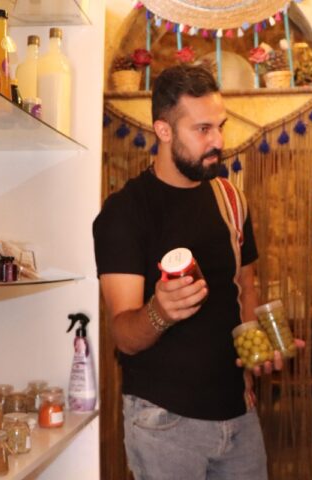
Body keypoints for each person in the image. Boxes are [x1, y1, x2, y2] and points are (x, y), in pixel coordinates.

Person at [93, 65, 281, 479]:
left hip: (240, 415)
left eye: (220, 126)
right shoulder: (125, 213)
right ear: (163, 130)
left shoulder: (230, 198)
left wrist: (257, 349)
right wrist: (161, 311)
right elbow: (123, 334)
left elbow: (246, 282)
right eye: (202, 130)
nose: (218, 141)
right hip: (165, 422)